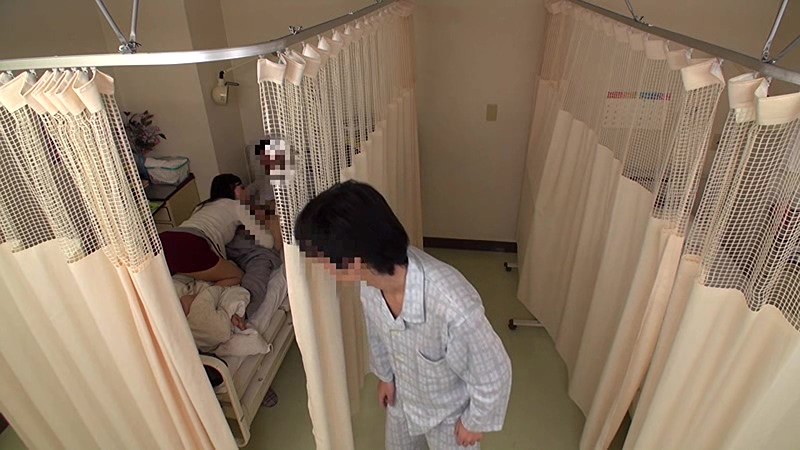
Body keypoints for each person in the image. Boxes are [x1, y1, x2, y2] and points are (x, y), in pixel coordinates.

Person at [294, 181, 512, 450]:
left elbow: (494, 372)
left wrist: (475, 422)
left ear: (354, 261)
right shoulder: (370, 285)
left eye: (321, 258)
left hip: (449, 416)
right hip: (404, 400)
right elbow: (378, 336)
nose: (320, 266)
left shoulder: (453, 307)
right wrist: (386, 377)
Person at [159, 174, 277, 286]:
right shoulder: (237, 206)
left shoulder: (201, 206)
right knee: (237, 276)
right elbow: (267, 241)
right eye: (242, 188)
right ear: (231, 188)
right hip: (193, 243)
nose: (246, 192)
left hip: (165, 239)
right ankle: (200, 297)